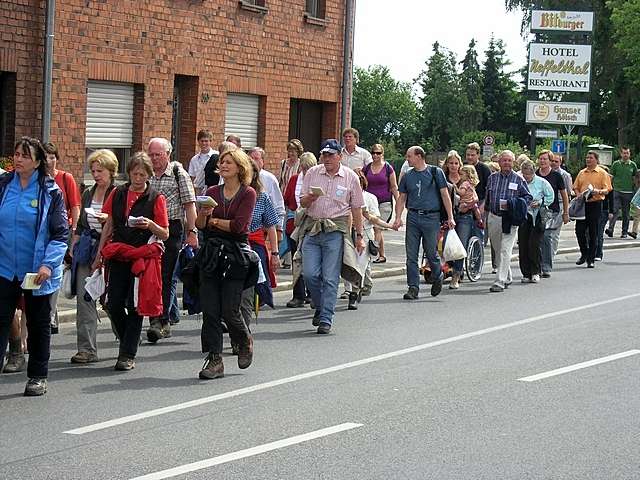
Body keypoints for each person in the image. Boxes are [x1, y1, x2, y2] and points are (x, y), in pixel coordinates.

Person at [0, 137, 68, 396]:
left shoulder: (50, 192)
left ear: (38, 161)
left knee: (39, 324)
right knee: (1, 320)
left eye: (25, 155)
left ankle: (38, 375)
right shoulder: (4, 185)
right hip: (5, 267)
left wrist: (48, 266)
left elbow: (60, 234)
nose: (18, 159)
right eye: (16, 154)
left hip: (37, 271)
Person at [94, 152, 169, 370]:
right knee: (113, 303)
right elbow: (109, 224)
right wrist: (100, 253)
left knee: (136, 305)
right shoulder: (117, 193)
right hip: (118, 254)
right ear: (129, 173)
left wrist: (150, 225)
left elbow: (164, 233)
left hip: (141, 257)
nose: (138, 179)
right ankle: (130, 338)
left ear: (149, 176)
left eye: (143, 175)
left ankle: (127, 354)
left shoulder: (156, 198)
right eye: (135, 174)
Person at [195, 148, 258, 379]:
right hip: (211, 255)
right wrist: (204, 215)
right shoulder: (211, 191)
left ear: (240, 167)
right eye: (221, 162)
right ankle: (214, 360)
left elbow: (240, 227)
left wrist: (215, 221)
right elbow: (200, 225)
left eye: (228, 162)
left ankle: (244, 340)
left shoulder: (248, 193)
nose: (223, 165)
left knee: (230, 310)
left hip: (236, 257)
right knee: (210, 310)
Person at [298, 139, 366, 334]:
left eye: (330, 155)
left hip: (336, 231)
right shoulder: (312, 173)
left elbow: (356, 208)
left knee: (330, 277)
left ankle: (326, 317)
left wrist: (359, 236)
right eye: (324, 155)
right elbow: (302, 202)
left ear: (340, 156)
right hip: (313, 228)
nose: (326, 158)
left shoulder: (350, 177)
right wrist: (311, 197)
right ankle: (319, 306)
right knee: (310, 274)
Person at [147, 137, 197, 342]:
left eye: (158, 155)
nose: (154, 158)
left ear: (168, 154)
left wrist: (192, 232)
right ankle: (154, 318)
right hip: (149, 230)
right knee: (150, 275)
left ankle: (162, 321)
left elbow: (189, 204)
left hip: (172, 229)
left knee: (165, 275)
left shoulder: (179, 175)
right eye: (151, 155)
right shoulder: (147, 174)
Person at [70, 149, 118, 363]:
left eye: (101, 170)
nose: (96, 174)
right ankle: (87, 349)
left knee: (112, 301)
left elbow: (124, 222)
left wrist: (107, 222)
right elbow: (80, 225)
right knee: (85, 298)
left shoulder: (118, 192)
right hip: (87, 250)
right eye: (93, 170)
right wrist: (74, 243)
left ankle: (126, 340)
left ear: (111, 171)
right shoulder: (88, 192)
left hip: (110, 251)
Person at [393, 146, 455, 300]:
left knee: (431, 252)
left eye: (409, 156)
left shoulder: (436, 172)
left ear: (419, 156)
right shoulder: (408, 175)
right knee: (411, 255)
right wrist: (398, 217)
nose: (407, 159)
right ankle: (413, 287)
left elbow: (445, 194)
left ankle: (438, 273)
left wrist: (450, 216)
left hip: (431, 217)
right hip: (413, 216)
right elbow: (401, 197)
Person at [43, 142, 81, 334]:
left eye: (52, 157)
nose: (49, 161)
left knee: (55, 270)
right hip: (42, 231)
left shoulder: (65, 178)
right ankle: (52, 314)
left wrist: (75, 230)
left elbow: (75, 205)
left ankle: (49, 317)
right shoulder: (38, 179)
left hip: (62, 231)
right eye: (46, 157)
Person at [240, 161, 280, 331]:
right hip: (233, 242)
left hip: (255, 243)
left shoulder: (262, 197)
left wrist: (275, 253)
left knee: (252, 283)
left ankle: (245, 322)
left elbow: (271, 225)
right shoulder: (230, 193)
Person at [345, 172, 395, 309]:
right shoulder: (343, 197)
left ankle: (354, 295)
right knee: (348, 264)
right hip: (346, 234)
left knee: (360, 265)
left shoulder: (366, 199)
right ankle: (351, 289)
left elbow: (372, 218)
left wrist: (389, 225)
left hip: (364, 235)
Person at [485, 150, 532, 293]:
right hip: (493, 217)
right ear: (499, 162)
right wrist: (483, 215)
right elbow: (488, 198)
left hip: (510, 218)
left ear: (513, 162)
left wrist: (515, 203)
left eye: (509, 160)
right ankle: (508, 276)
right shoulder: (492, 178)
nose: (506, 163)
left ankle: (500, 281)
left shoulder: (518, 179)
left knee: (506, 249)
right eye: (504, 160)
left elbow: (527, 197)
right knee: (498, 248)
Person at [283, 152, 317, 308]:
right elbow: (287, 199)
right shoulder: (294, 179)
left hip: (313, 225)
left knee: (311, 261)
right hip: (296, 225)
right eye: (304, 168)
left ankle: (312, 293)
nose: (306, 171)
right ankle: (298, 295)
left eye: (309, 167)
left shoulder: (319, 181)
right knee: (297, 260)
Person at [443, 151, 481, 289]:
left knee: (460, 246)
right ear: (447, 164)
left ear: (459, 164)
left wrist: (468, 205)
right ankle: (448, 269)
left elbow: (475, 197)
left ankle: (456, 276)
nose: (453, 166)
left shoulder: (464, 180)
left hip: (464, 216)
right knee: (444, 245)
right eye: (451, 163)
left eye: (456, 163)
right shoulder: (443, 177)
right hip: (446, 215)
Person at [573, 151, 612, 268]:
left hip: (595, 203)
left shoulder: (602, 173)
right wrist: (578, 194)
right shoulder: (581, 173)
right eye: (587, 158)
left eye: (590, 158)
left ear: (596, 160)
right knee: (579, 230)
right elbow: (575, 187)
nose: (588, 160)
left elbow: (608, 189)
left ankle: (591, 259)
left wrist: (598, 191)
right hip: (583, 204)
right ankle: (584, 253)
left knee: (593, 231)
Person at [518, 159, 554, 284]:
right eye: (524, 174)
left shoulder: (542, 182)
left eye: (529, 174)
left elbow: (551, 196)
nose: (526, 177)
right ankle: (526, 272)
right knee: (523, 244)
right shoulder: (519, 181)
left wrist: (540, 202)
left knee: (534, 244)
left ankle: (535, 271)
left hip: (538, 215)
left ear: (533, 173)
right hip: (524, 215)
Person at [363, 143, 399, 264]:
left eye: (378, 153)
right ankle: (382, 255)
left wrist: (399, 204)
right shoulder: (367, 168)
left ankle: (371, 252)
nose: (375, 155)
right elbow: (361, 182)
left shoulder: (388, 168)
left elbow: (394, 187)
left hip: (384, 203)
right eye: (373, 153)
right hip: (370, 203)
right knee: (377, 228)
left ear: (382, 154)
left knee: (377, 228)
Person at [536, 150, 569, 277]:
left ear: (550, 161)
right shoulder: (535, 175)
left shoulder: (556, 176)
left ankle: (546, 267)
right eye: (541, 159)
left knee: (546, 237)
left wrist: (566, 212)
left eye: (545, 159)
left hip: (552, 212)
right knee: (536, 239)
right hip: (536, 211)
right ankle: (537, 266)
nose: (542, 161)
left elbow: (564, 195)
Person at [606, 146, 637, 238]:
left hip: (628, 192)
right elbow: (611, 176)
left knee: (626, 213)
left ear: (629, 154)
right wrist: (609, 188)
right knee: (614, 210)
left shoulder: (632, 165)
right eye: (624, 153)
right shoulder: (616, 164)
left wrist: (635, 188)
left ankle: (624, 232)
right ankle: (610, 229)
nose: (626, 155)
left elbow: (635, 178)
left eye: (627, 153)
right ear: (621, 154)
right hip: (617, 190)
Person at [188, 129, 218, 195]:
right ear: (198, 141)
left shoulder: (217, 157)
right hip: (198, 190)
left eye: (206, 141)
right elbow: (192, 178)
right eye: (202, 141)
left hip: (212, 189)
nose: (204, 143)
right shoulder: (194, 159)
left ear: (210, 141)